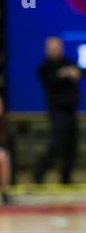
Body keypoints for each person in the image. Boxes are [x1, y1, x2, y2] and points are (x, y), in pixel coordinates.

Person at [34, 36, 83, 184]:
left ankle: (66, 178)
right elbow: (51, 81)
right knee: (56, 145)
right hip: (57, 112)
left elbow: (79, 72)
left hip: (71, 111)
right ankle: (39, 172)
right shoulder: (45, 67)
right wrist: (65, 74)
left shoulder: (68, 62)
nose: (55, 50)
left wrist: (72, 72)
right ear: (47, 49)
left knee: (71, 146)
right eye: (52, 47)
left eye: (57, 47)